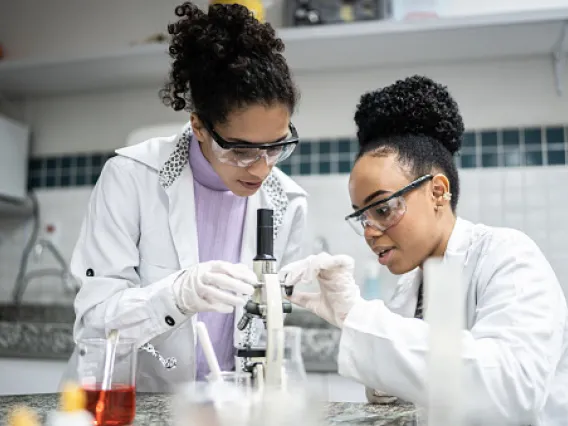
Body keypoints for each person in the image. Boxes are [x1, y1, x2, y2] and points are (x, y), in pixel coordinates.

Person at [280, 75, 568, 425]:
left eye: (383, 209)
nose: (370, 232)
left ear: (437, 192)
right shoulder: (409, 290)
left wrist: (358, 315)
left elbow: (510, 390)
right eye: (362, 216)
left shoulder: (509, 257)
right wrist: (389, 381)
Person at [62, 1, 307, 392]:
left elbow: (266, 334)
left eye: (276, 147)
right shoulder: (130, 178)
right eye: (241, 151)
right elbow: (93, 324)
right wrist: (174, 296)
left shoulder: (287, 202)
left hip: (228, 410)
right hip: (128, 405)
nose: (262, 168)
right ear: (198, 126)